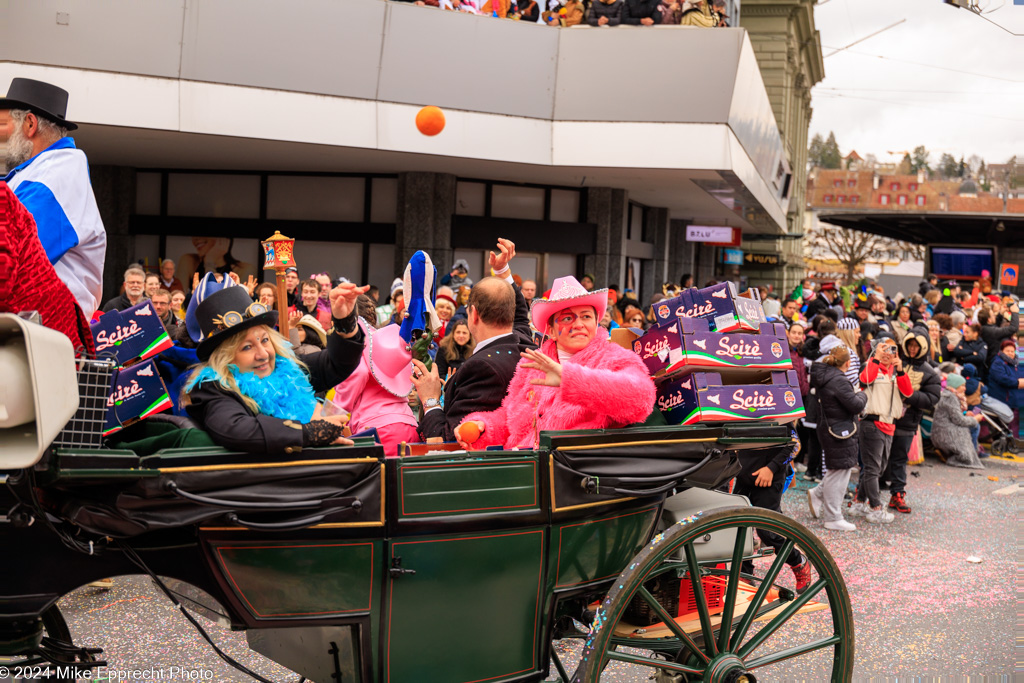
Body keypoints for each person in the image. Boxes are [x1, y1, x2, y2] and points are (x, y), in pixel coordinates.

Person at [457, 275, 654, 450]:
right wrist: (483, 426)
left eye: (586, 316)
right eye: (567, 318)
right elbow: (511, 418)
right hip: (525, 470)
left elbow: (641, 398)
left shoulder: (614, 357)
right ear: (550, 330)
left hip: (577, 478)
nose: (578, 324)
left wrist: (570, 378)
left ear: (596, 322)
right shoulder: (533, 363)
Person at [184, 282, 368, 454]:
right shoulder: (213, 388)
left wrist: (344, 321)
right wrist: (310, 433)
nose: (263, 354)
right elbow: (235, 429)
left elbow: (337, 363)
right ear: (225, 357)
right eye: (247, 347)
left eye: (264, 340)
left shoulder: (287, 369)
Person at [1, 78, 106, 318]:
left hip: (47, 328)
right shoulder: (40, 171)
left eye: (4, 125)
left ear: (29, 124)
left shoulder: (55, 174)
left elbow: (13, 254)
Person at [413, 239, 535, 443]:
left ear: (474, 314)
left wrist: (430, 400)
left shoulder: (481, 368)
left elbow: (450, 439)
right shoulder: (523, 339)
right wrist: (503, 271)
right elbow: (521, 313)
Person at [849, 337, 912, 524]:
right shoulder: (870, 366)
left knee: (879, 468)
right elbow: (865, 379)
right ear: (876, 349)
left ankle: (859, 502)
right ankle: (875, 507)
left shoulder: (895, 371)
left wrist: (900, 370)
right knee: (873, 468)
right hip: (872, 422)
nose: (888, 353)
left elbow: (908, 392)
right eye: (884, 348)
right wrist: (875, 358)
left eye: (892, 349)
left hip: (889, 423)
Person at [807, 345, 867, 532]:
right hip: (839, 430)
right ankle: (833, 517)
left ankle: (817, 494)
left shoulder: (827, 376)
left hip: (831, 428)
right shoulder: (838, 380)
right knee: (839, 471)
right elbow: (856, 405)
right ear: (848, 363)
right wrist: (862, 394)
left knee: (839, 469)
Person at [883, 328, 940, 514]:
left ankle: (897, 494)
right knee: (878, 457)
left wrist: (910, 396)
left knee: (899, 458)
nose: (913, 349)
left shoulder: (929, 372)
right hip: (885, 416)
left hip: (907, 420)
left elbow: (932, 398)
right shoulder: (895, 361)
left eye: (917, 346)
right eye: (910, 345)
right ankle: (867, 493)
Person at [931, 373, 985, 469]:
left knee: (972, 426)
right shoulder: (951, 398)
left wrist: (965, 414)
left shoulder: (949, 395)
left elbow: (953, 415)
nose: (965, 388)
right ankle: (961, 455)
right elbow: (958, 420)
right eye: (963, 386)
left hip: (941, 431)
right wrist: (974, 419)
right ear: (956, 386)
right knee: (967, 456)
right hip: (945, 433)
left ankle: (950, 453)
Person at [987, 338, 1023, 439]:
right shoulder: (998, 363)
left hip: (1013, 396)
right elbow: (1002, 379)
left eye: (1012, 351)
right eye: (1008, 351)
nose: (1010, 353)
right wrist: (1018, 383)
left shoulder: (1015, 363)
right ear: (1002, 351)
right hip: (1003, 397)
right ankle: (1013, 438)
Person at [978, 301, 1019, 367]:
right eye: (993, 315)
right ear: (989, 320)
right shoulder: (990, 331)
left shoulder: (986, 328)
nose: (995, 316)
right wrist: (1015, 313)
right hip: (995, 363)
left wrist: (1000, 314)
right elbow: (1013, 328)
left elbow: (994, 325)